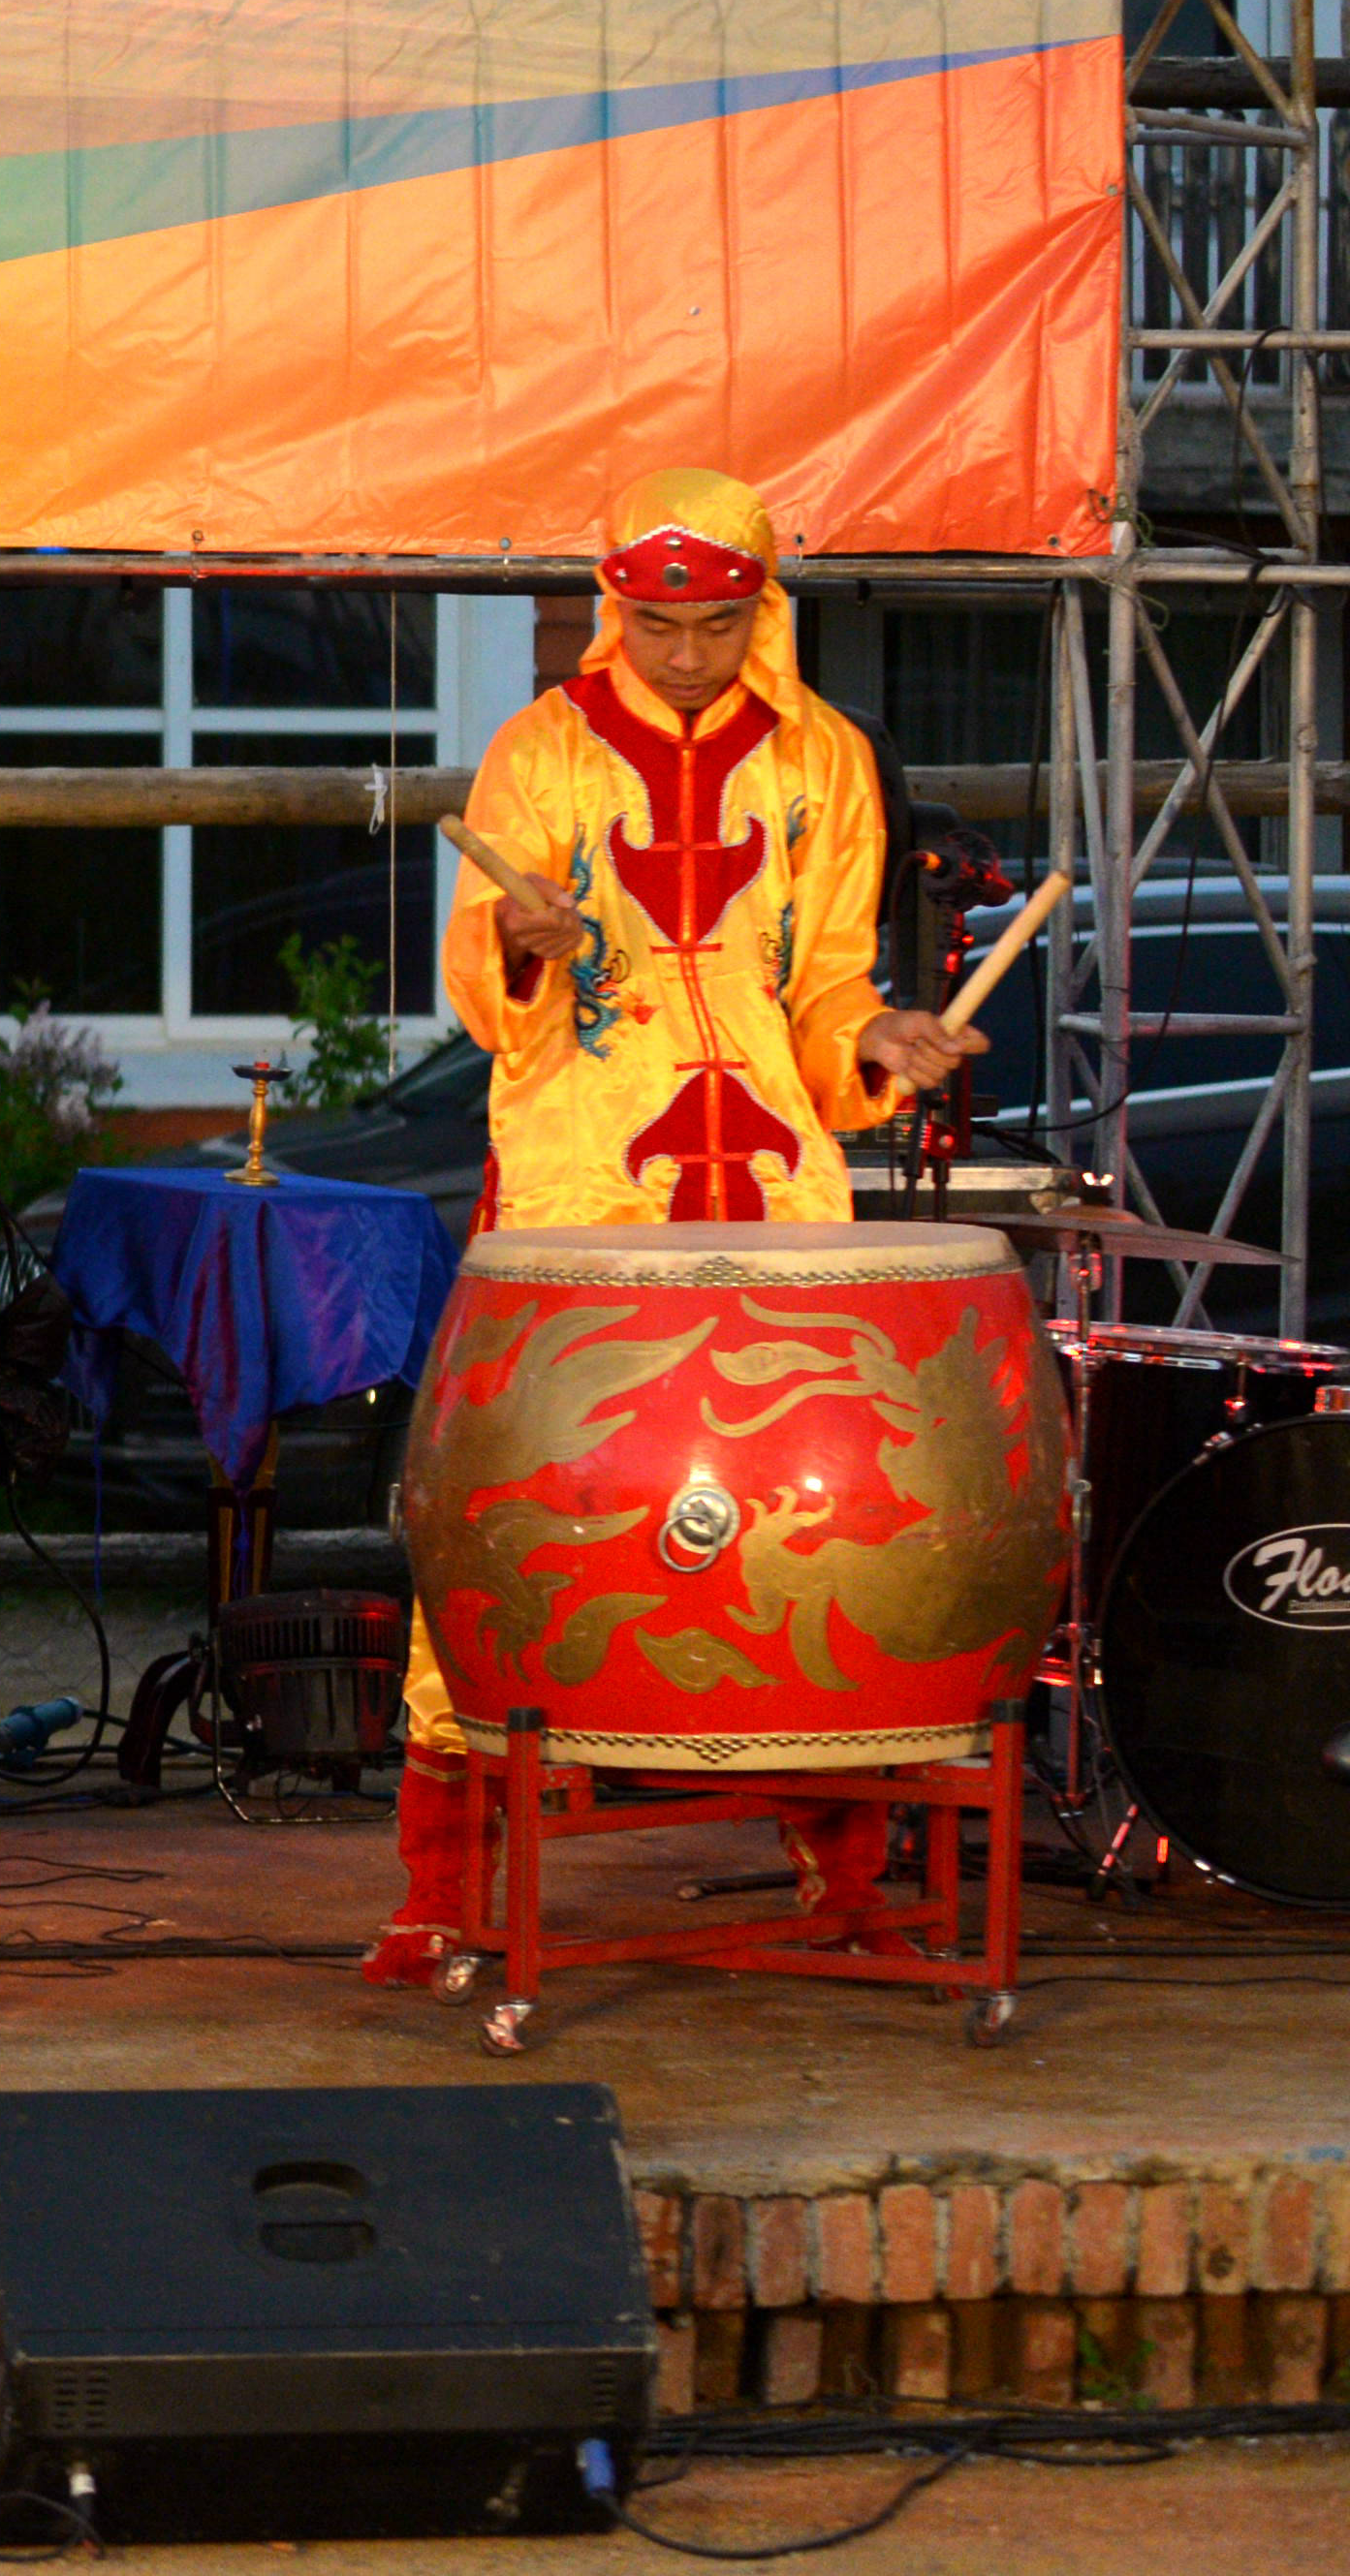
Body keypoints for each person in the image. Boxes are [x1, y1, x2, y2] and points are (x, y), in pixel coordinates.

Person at [353, 469, 988, 1982]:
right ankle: (442, 1884)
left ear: (757, 611)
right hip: (585, 1165)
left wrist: (876, 1038)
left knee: (812, 1506)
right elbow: (489, 986)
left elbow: (824, 983)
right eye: (656, 623)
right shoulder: (543, 751)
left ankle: (838, 1867)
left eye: (712, 625)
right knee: (518, 1501)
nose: (684, 653)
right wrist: (517, 938)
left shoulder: (828, 762)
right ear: (612, 609)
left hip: (768, 1174)